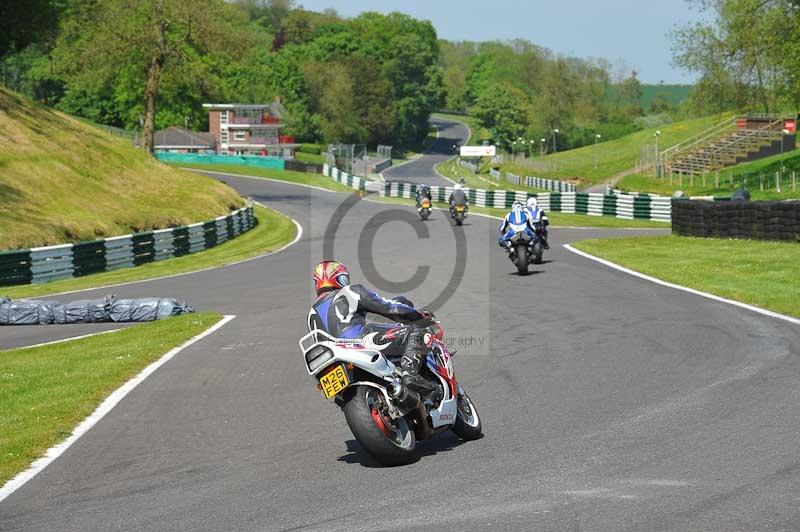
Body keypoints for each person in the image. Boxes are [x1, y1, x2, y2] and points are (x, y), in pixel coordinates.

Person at [307, 260, 435, 407]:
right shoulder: (349, 292)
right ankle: (411, 375)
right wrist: (417, 315)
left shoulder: (311, 313)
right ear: (341, 278)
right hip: (361, 342)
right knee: (414, 332)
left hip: (331, 357)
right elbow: (389, 307)